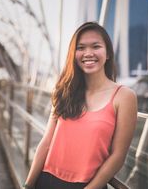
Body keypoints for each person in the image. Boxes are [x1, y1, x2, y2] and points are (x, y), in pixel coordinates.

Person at [22, 22, 138, 189]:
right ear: (73, 54)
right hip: (46, 181)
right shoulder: (64, 91)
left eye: (96, 46)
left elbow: (118, 156)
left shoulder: (124, 96)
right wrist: (28, 184)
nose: (88, 53)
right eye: (81, 48)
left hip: (89, 185)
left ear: (108, 54)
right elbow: (46, 142)